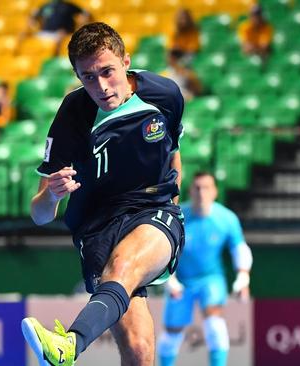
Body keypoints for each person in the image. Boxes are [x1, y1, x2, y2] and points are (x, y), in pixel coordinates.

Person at [22, 22, 185, 366]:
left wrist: (174, 200)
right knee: (139, 353)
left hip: (153, 210)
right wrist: (52, 195)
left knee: (124, 265)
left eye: (107, 71)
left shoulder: (165, 95)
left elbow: (173, 149)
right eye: (88, 77)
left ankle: (69, 345)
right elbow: (40, 215)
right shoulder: (73, 114)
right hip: (96, 228)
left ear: (126, 61)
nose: (101, 86)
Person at [157, 171, 253, 366]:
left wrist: (243, 278)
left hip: (211, 279)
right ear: (190, 191)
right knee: (172, 332)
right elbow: (163, 251)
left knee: (214, 321)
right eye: (197, 188)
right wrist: (170, 280)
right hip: (180, 281)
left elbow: (240, 249)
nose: (201, 192)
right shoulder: (178, 217)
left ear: (215, 192)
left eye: (206, 188)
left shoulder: (227, 219)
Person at [27, 0, 91, 55]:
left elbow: (85, 13)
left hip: (63, 34)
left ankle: (55, 58)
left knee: (60, 37)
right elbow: (33, 16)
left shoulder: (68, 6)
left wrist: (82, 25)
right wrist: (34, 26)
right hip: (45, 33)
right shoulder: (46, 6)